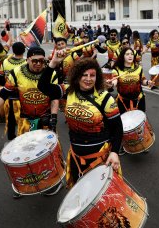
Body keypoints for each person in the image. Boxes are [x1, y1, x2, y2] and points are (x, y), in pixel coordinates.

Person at [0, 47, 61, 197]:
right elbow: (4, 94)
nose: (39, 64)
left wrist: (53, 118)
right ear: (28, 60)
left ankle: (53, 180)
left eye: (42, 61)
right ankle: (23, 183)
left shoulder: (51, 74)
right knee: (24, 153)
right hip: (26, 119)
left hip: (45, 118)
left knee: (49, 151)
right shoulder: (17, 73)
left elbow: (54, 98)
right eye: (35, 61)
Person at [38, 55, 123, 188]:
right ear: (77, 76)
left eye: (92, 75)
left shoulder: (105, 98)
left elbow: (118, 128)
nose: (88, 79)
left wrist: (115, 152)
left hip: (100, 157)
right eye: (84, 75)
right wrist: (53, 63)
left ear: (97, 77)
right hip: (76, 156)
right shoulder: (68, 91)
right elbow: (43, 86)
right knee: (79, 194)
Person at [0, 42, 26, 141]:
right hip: (22, 97)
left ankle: (11, 140)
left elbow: (0, 78)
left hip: (8, 95)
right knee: (23, 119)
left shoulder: (5, 62)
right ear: (24, 51)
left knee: (10, 119)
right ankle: (23, 139)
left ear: (12, 51)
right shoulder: (26, 63)